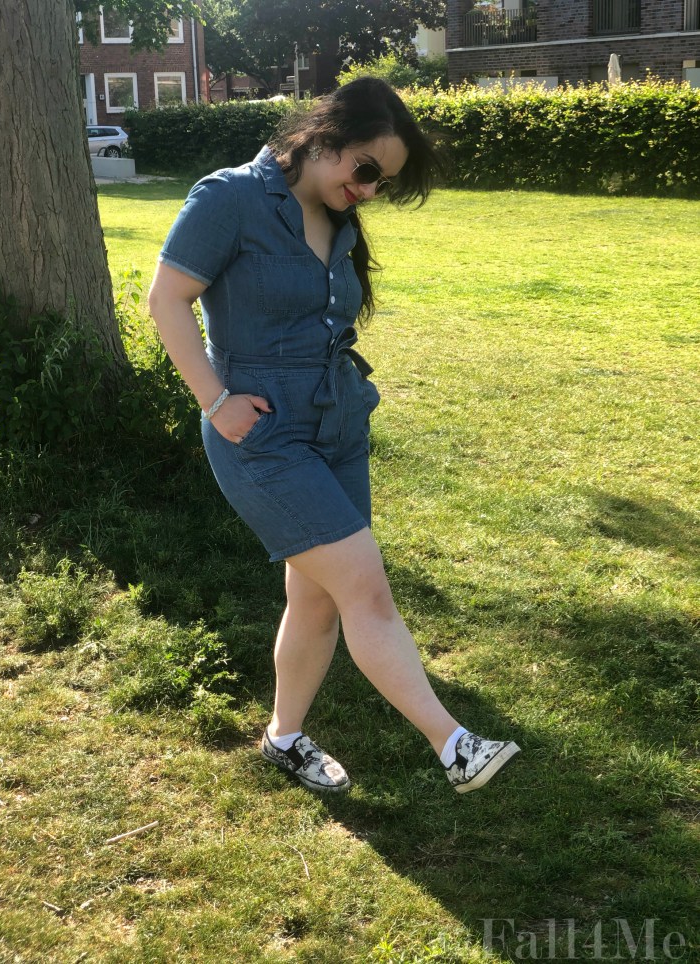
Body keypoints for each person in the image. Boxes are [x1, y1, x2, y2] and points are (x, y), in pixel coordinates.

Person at [148, 77, 520, 796]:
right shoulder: (228, 199)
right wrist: (215, 399)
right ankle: (455, 746)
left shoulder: (336, 214)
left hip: (337, 422)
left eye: (384, 181)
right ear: (322, 138)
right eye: (367, 171)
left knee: (315, 597)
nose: (371, 191)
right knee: (365, 587)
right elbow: (166, 298)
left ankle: (282, 738)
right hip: (262, 434)